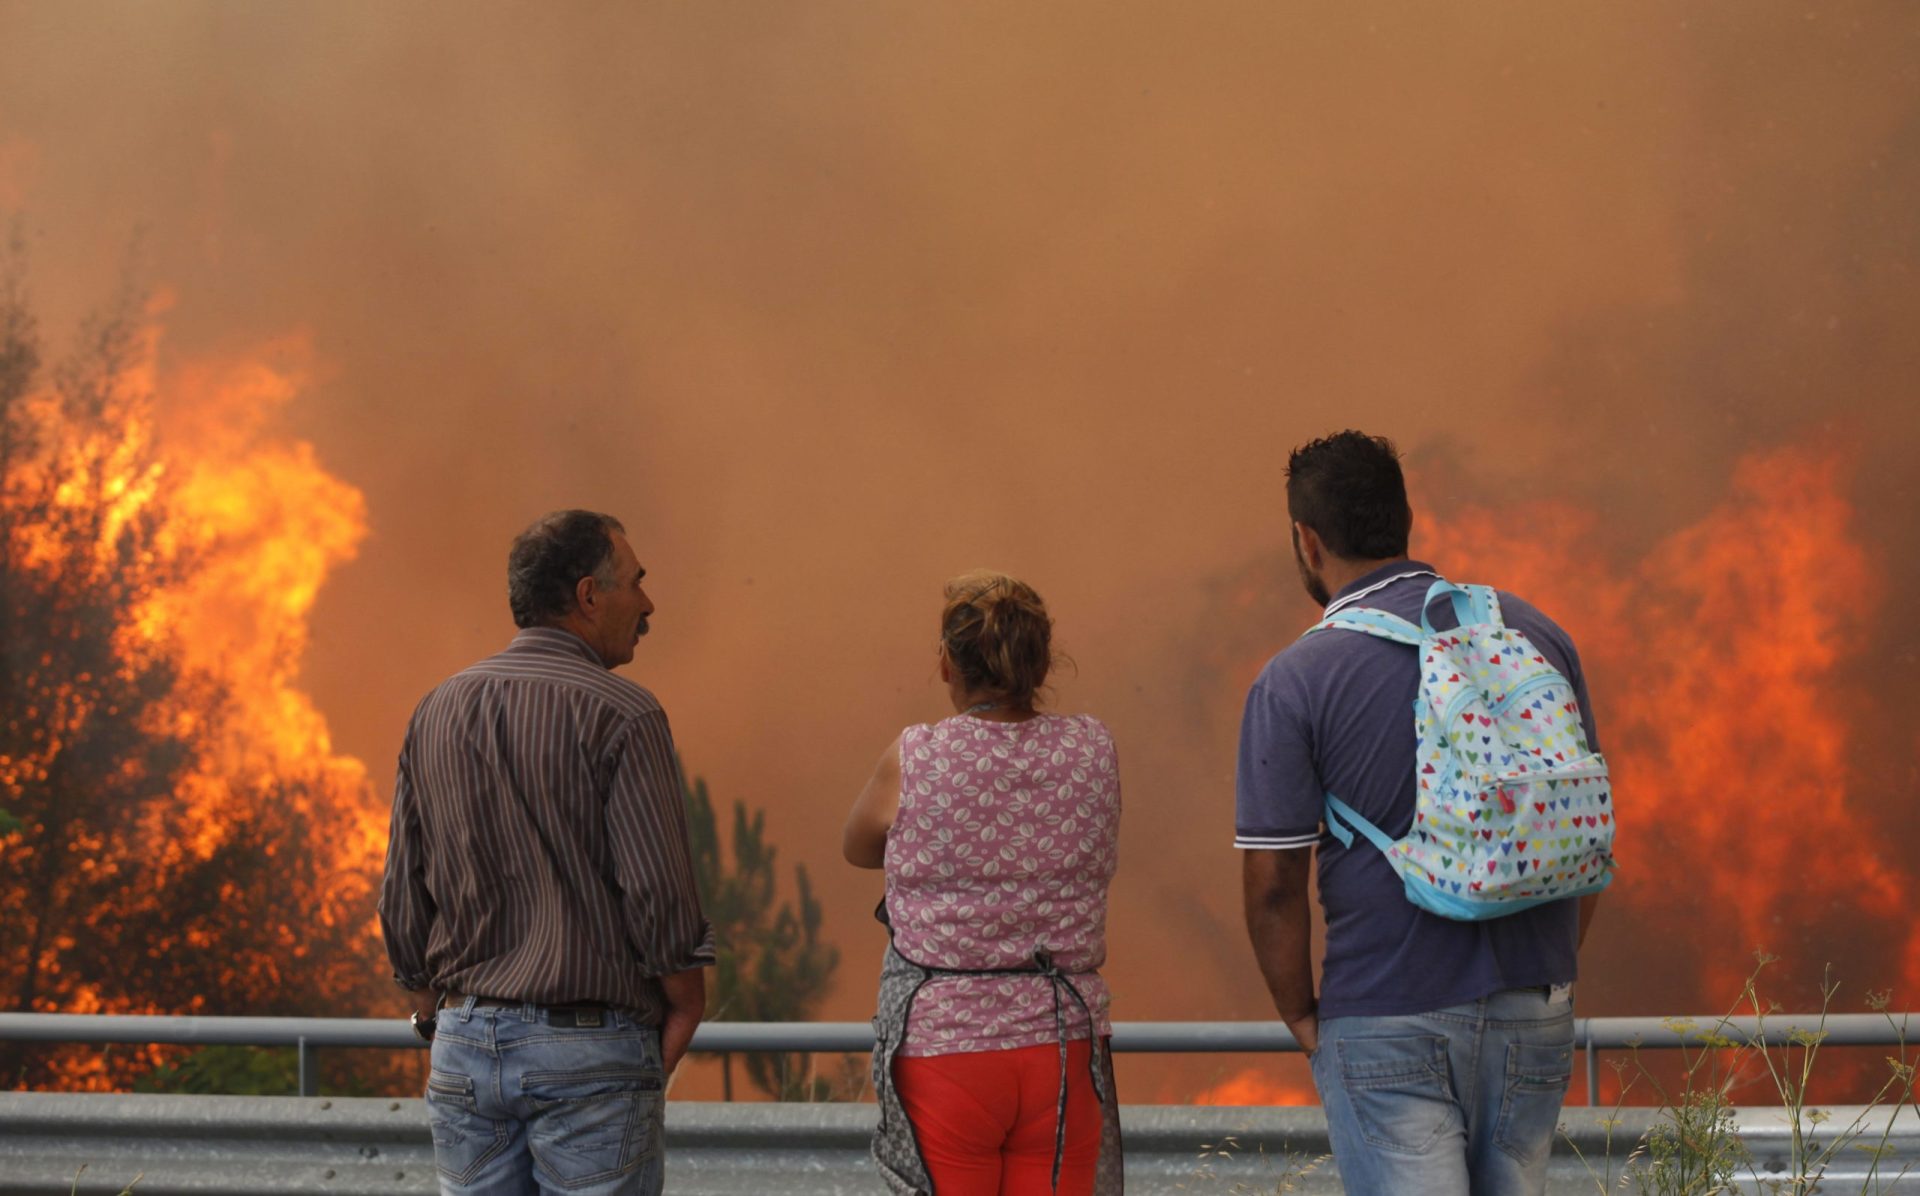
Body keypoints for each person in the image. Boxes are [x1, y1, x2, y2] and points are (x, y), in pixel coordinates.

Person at [1236, 432, 1603, 1196]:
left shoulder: (1297, 677)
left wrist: (1307, 1019)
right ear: (1404, 518)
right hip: (1534, 1008)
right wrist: (1545, 968)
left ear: (1307, 540)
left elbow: (1273, 881)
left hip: (1386, 1010)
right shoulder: (1533, 634)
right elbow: (1583, 831)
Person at [379, 510, 713, 1196]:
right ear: (589, 595)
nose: (648, 604)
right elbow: (658, 895)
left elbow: (402, 894)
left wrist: (432, 1014)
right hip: (589, 1047)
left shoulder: (436, 709)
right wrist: (685, 1002)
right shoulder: (624, 713)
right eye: (637, 583)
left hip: (464, 1043)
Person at [843, 571, 1124, 1196]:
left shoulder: (916, 756)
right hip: (1063, 1044)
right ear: (1042, 660)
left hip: (947, 1049)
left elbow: (857, 846)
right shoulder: (1092, 748)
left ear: (948, 665)